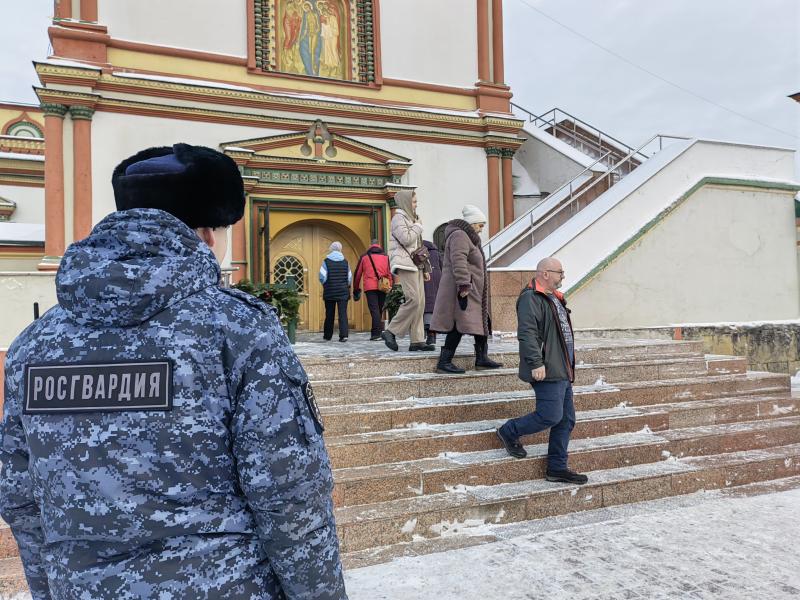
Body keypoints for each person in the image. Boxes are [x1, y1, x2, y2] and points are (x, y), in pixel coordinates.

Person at [0, 143, 348, 599]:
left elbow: (19, 492)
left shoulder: (35, 344)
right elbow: (288, 495)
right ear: (206, 234)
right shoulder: (237, 328)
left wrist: (52, 588)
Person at [496, 256, 588, 485]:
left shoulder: (553, 298)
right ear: (545, 273)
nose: (562, 277)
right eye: (559, 272)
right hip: (547, 367)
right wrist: (536, 362)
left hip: (562, 367)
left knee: (566, 420)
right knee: (550, 415)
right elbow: (527, 333)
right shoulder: (530, 298)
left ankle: (557, 468)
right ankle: (509, 430)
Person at [430, 205, 502, 374]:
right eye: (480, 225)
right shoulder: (460, 235)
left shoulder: (468, 237)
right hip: (462, 290)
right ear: (472, 223)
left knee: (480, 320)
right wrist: (464, 284)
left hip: (473, 290)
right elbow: (458, 260)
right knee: (459, 324)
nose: (481, 229)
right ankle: (444, 361)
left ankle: (482, 358)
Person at [382, 190, 435, 352]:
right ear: (405, 202)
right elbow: (406, 239)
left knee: (421, 303)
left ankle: (417, 340)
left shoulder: (412, 219)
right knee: (414, 300)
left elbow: (418, 246)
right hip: (405, 264)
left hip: (416, 264)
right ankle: (391, 331)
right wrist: (418, 226)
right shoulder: (398, 218)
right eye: (413, 202)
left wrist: (425, 267)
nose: (416, 204)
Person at [352, 240, 392, 340]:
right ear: (379, 246)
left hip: (370, 287)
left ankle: (375, 334)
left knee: (374, 309)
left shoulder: (364, 257)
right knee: (379, 309)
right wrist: (390, 285)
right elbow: (389, 273)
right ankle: (377, 332)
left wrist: (356, 289)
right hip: (383, 285)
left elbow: (357, 274)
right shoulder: (386, 257)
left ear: (370, 246)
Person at [319, 241, 352, 342]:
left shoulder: (326, 261)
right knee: (343, 314)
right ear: (340, 249)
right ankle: (344, 335)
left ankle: (327, 335)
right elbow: (349, 278)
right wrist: (347, 286)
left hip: (330, 291)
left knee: (329, 314)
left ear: (331, 249)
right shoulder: (345, 262)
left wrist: (326, 284)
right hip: (343, 292)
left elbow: (322, 277)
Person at [422, 239, 442, 346]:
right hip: (437, 279)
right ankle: (433, 335)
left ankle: (429, 334)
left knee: (427, 306)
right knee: (434, 305)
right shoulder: (436, 252)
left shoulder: (420, 251)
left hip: (425, 278)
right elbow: (442, 265)